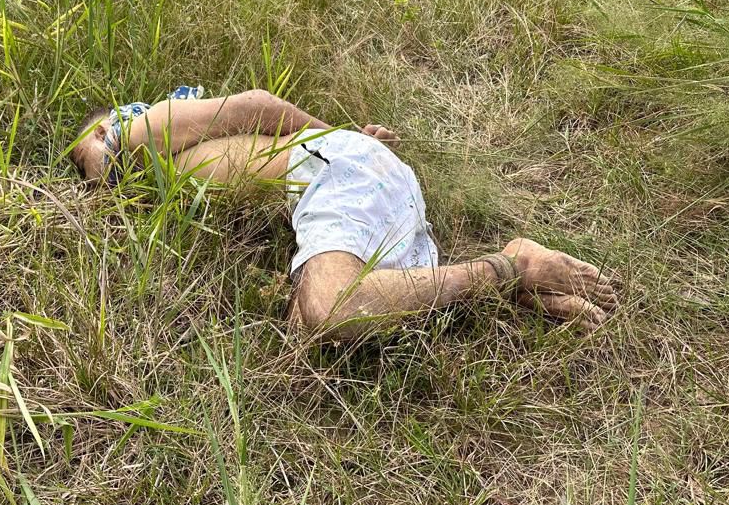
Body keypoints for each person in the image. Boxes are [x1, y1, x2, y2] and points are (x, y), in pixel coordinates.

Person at [68, 87, 619, 342]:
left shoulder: (135, 130)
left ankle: (509, 266)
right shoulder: (162, 182)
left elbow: (254, 105)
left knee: (328, 309)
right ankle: (506, 288)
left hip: (333, 167)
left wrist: (340, 134)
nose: (88, 174)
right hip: (354, 184)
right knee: (353, 320)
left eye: (83, 153)